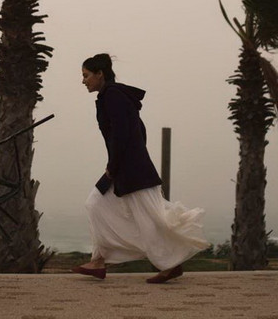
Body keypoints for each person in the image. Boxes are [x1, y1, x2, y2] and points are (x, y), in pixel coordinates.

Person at [73, 53, 208, 283]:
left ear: (100, 74)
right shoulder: (112, 96)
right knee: (95, 204)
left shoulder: (113, 96)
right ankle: (98, 260)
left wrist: (114, 166)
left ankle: (169, 264)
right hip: (127, 167)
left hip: (132, 171)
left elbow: (122, 134)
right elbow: (138, 130)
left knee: (152, 219)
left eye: (86, 76)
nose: (83, 81)